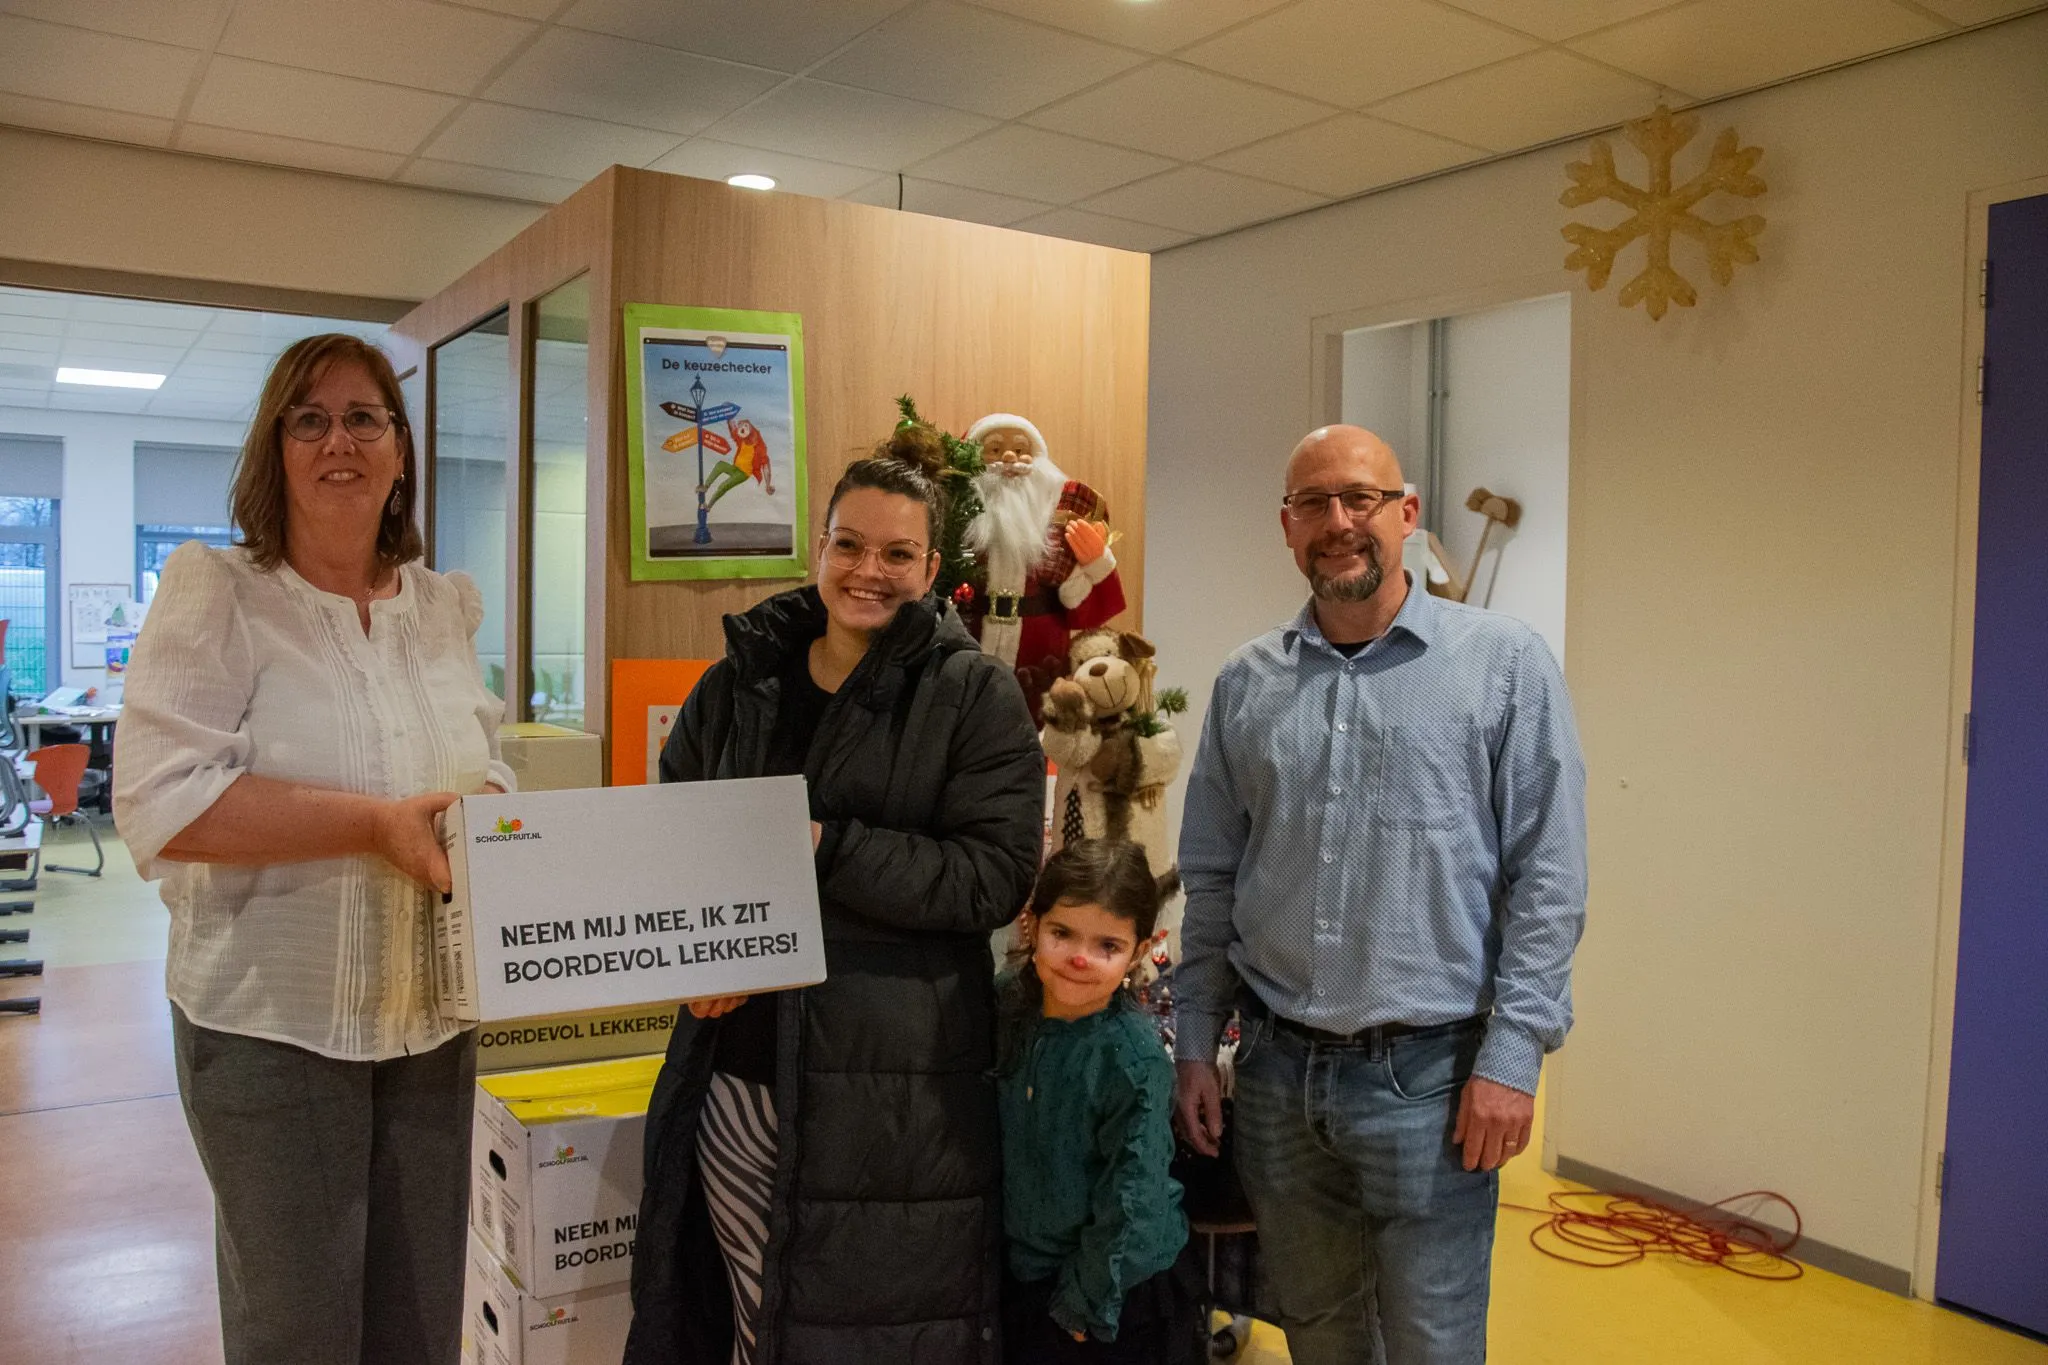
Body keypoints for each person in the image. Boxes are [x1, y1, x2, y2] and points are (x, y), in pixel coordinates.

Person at [113, 333, 512, 1365]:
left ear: (399, 449)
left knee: (423, 1327)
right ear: (276, 449)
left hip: (433, 1022)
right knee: (298, 1335)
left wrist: (494, 825)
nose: (340, 440)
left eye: (365, 417)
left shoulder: (444, 608)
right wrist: (372, 825)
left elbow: (487, 767)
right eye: (310, 419)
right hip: (269, 1029)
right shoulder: (220, 592)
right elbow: (163, 803)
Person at [624, 426, 1047, 1365]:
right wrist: (696, 958)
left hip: (890, 1090)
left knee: (865, 1331)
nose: (869, 570)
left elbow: (994, 875)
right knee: (740, 1311)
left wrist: (826, 845)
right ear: (818, 548)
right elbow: (675, 836)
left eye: (898, 553)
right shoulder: (742, 680)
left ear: (932, 567)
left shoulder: (974, 697)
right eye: (849, 544)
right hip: (735, 1067)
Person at [1171, 425, 1587, 1365]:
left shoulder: (1503, 665)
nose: (1338, 522)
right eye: (1314, 503)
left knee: (1432, 1342)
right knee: (1320, 1332)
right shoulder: (1248, 683)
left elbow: (1549, 877)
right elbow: (1211, 878)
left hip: (1433, 1081)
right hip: (1277, 1077)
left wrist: (1514, 1054)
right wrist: (1196, 1041)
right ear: (1286, 526)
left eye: (1360, 498)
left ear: (1406, 515)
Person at [997, 839, 1191, 1365]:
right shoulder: (1007, 1009)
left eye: (1107, 945)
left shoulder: (1133, 1060)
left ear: (1137, 950)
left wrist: (1082, 1304)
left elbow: (1133, 1197)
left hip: (1116, 1296)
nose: (1080, 957)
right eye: (1062, 933)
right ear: (1031, 925)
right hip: (1030, 1276)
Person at [958, 413, 1125, 722]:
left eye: (1022, 450)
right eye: (994, 450)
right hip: (969, 645)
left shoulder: (1056, 528)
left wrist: (1094, 562)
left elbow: (1082, 609)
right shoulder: (957, 525)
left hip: (1039, 658)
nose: (1009, 457)